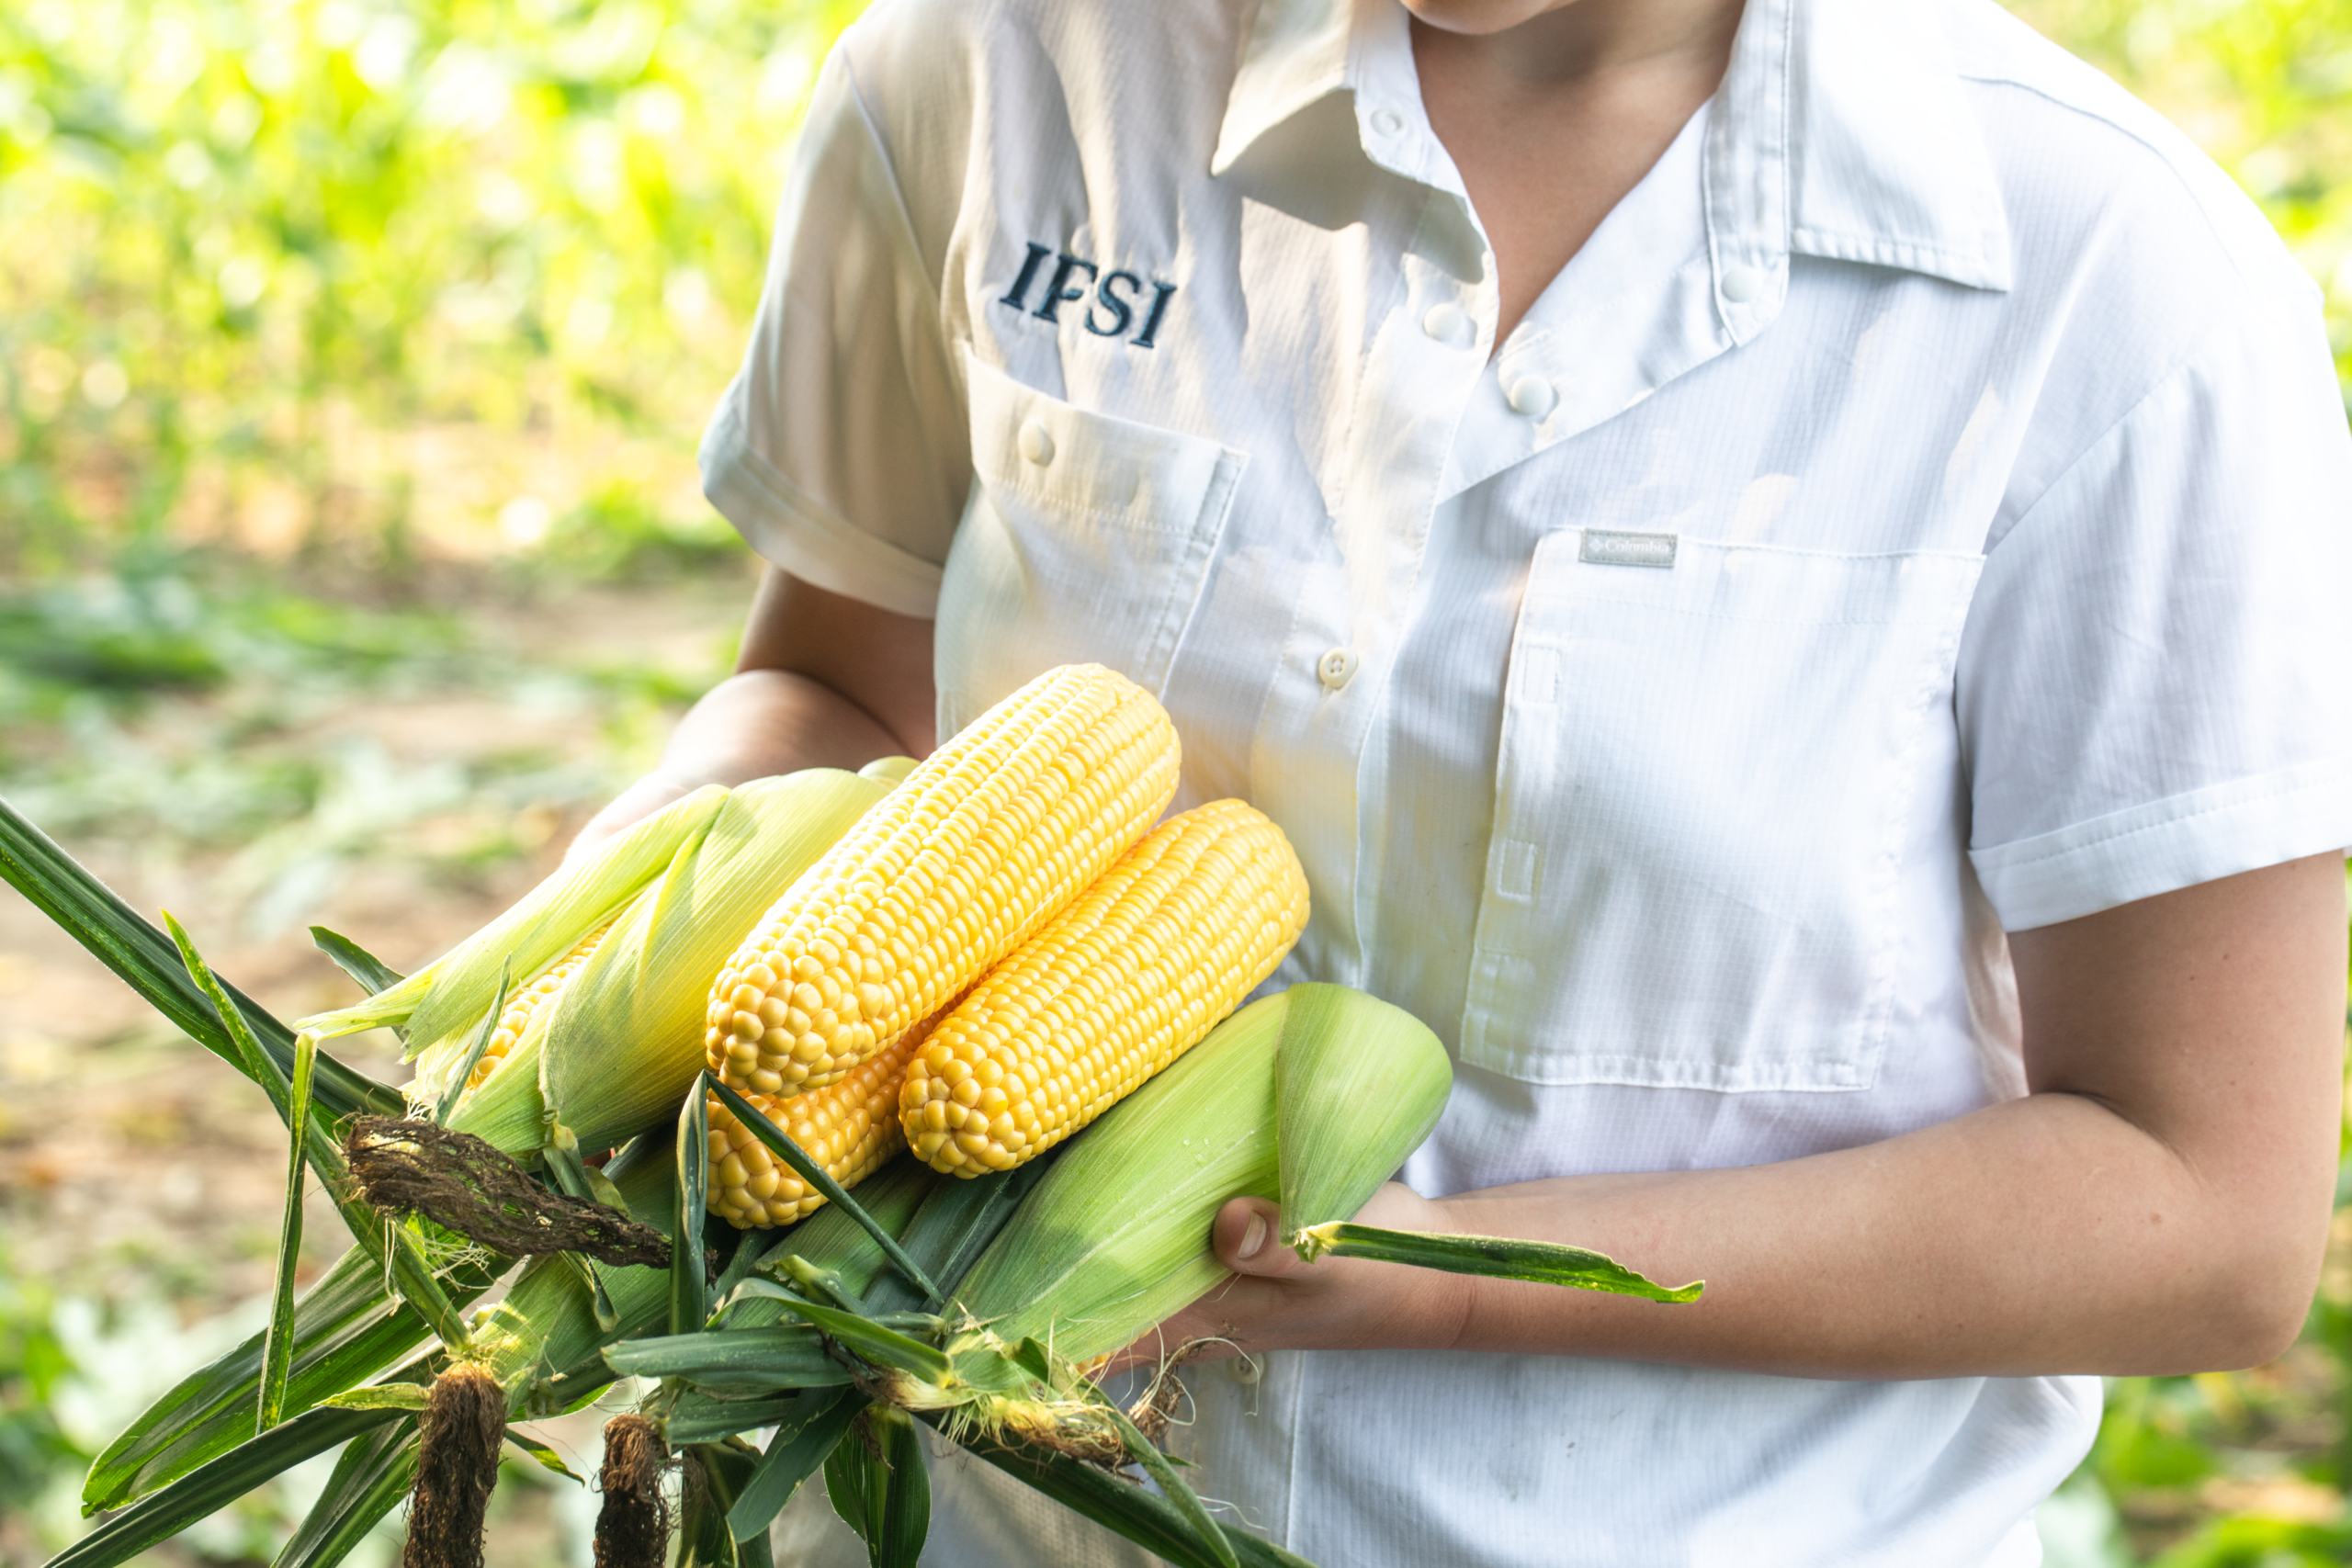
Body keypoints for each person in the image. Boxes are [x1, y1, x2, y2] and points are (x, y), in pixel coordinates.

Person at [571, 0, 2352, 1559]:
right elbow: (832, 690)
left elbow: (2201, 1210)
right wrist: (627, 937)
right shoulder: (999, 67)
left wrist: (1439, 1281)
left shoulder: (2115, 282)